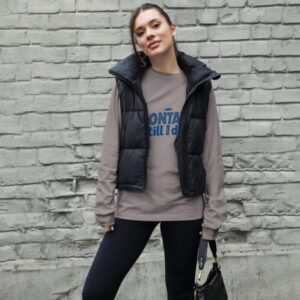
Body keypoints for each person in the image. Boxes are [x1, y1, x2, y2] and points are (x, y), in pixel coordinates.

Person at [82, 3, 227, 300]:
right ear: (137, 44)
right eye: (140, 32)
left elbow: (211, 154)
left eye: (155, 25)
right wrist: (104, 203)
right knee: (96, 291)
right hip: (135, 204)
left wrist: (214, 215)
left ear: (172, 29)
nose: (149, 33)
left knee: (180, 293)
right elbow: (111, 146)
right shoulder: (127, 85)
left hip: (185, 207)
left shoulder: (199, 86)